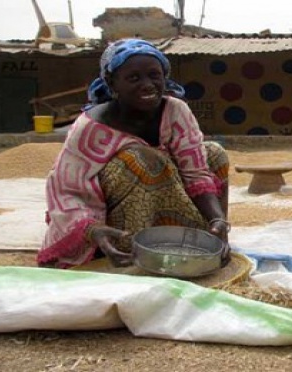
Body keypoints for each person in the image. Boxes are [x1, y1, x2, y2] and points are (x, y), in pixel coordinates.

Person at [38, 39, 230, 269]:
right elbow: (64, 189)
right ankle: (131, 248)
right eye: (134, 78)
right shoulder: (90, 127)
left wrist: (218, 220)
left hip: (166, 193)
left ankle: (205, 238)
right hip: (105, 222)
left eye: (154, 75)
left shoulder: (175, 110)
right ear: (112, 84)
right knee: (142, 158)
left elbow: (196, 172)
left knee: (214, 154)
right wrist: (93, 230)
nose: (148, 85)